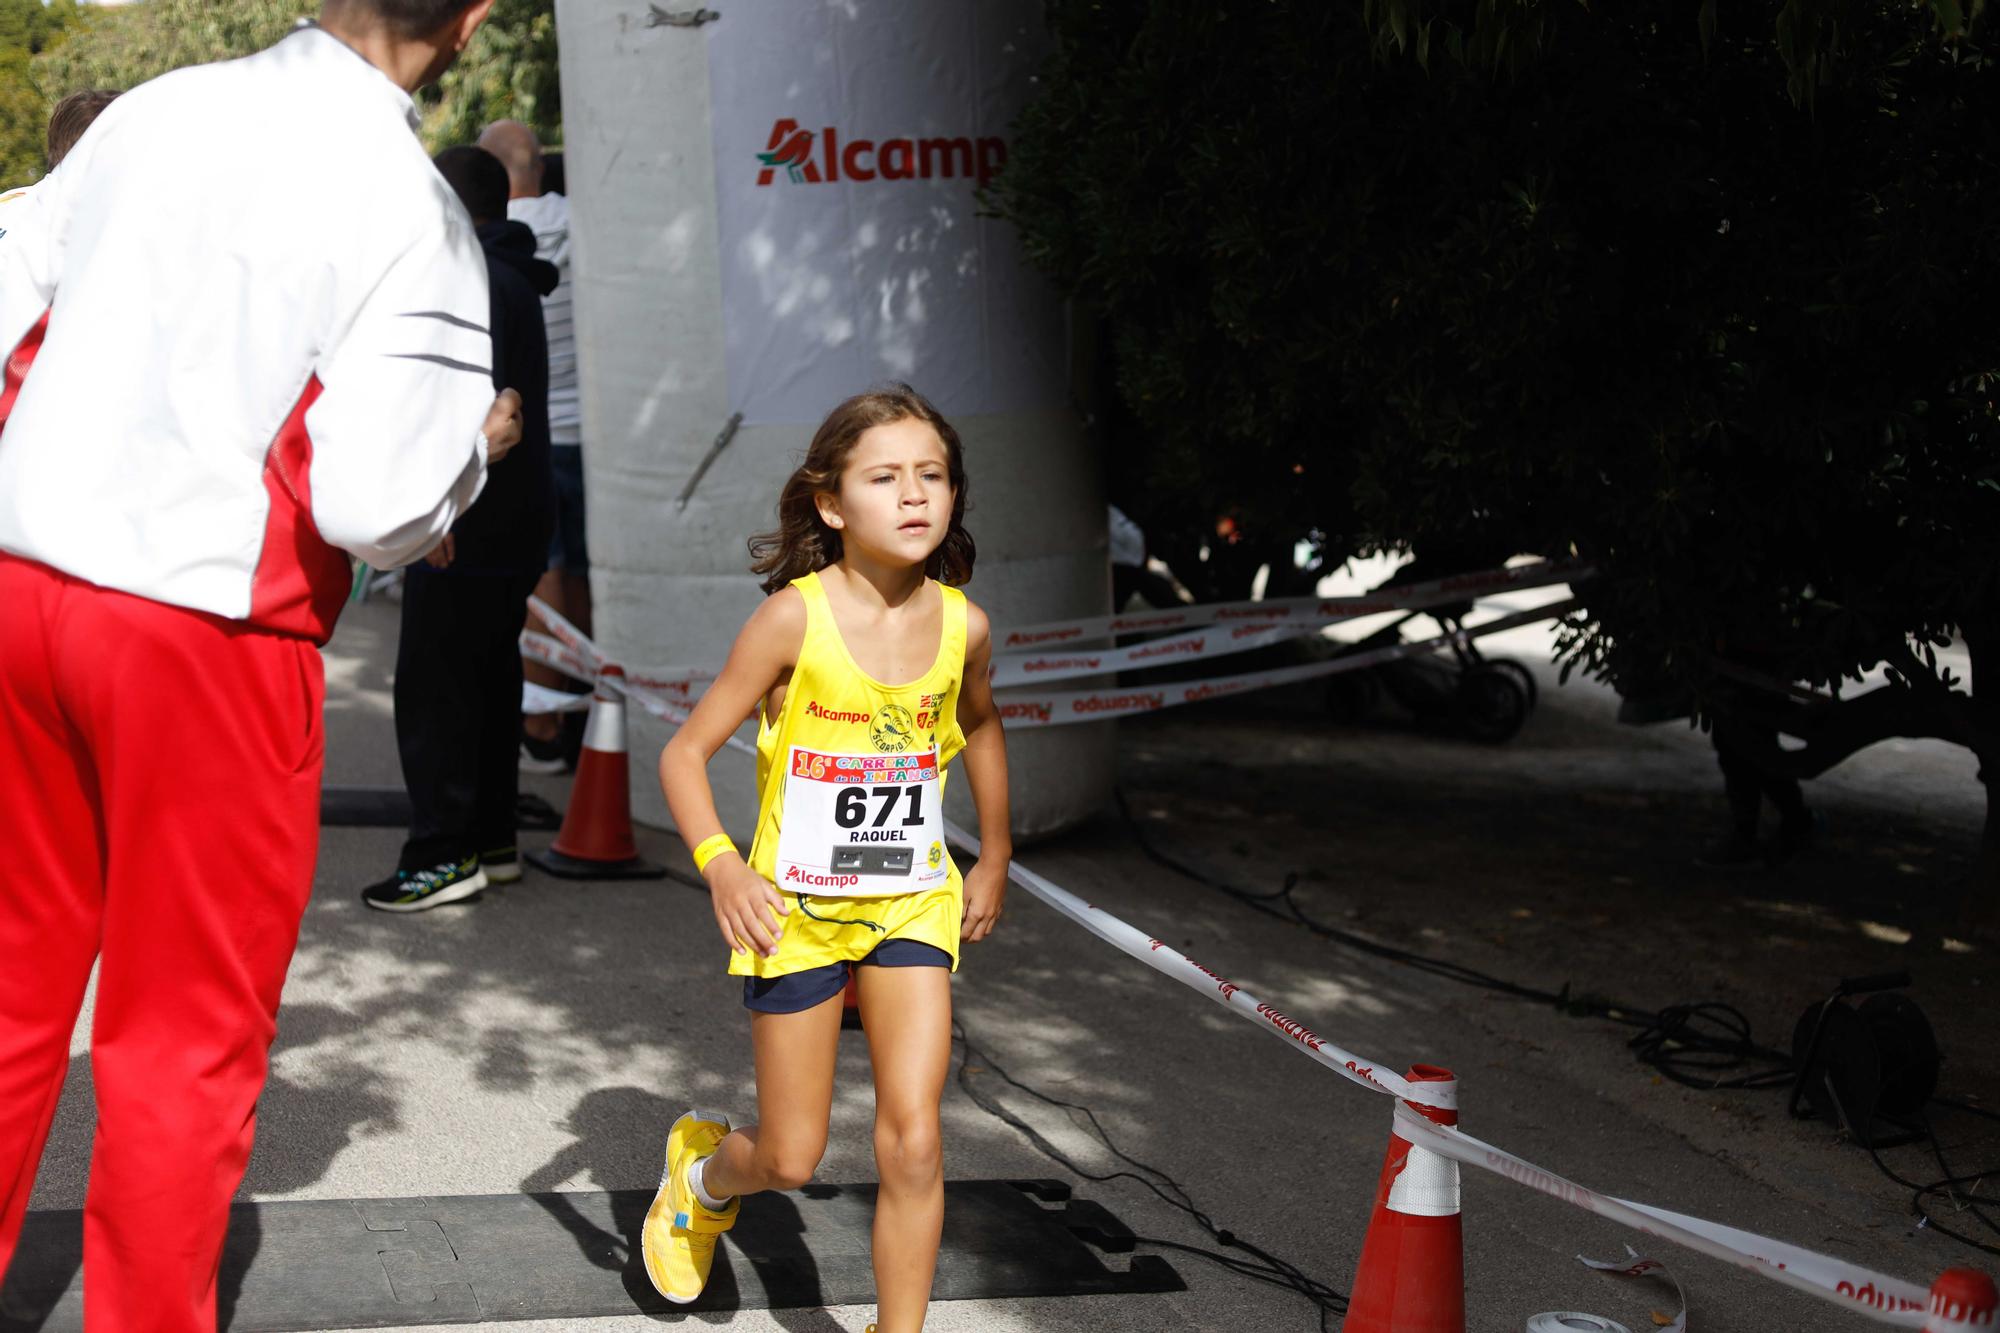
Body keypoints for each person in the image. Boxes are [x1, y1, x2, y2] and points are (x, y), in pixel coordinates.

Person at [0, 2, 518, 1327]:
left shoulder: (161, 110)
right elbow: (377, 499)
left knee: (10, 983)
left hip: (26, 580)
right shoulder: (415, 212)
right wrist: (476, 452)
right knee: (182, 1041)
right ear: (469, 23)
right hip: (207, 634)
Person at [650, 385, 1013, 1331]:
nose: (914, 496)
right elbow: (683, 753)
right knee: (791, 1157)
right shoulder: (790, 621)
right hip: (794, 910)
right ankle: (699, 1177)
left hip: (909, 902)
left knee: (916, 1141)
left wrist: (996, 851)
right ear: (829, 502)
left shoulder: (964, 626)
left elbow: (981, 724)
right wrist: (724, 865)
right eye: (884, 477)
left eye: (931, 475)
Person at [361, 144, 558, 911]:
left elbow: (457, 408)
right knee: (486, 676)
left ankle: (441, 854)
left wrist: (435, 506)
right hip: (514, 516)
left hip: (467, 518)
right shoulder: (513, 278)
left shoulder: (469, 282)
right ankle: (489, 838)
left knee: (438, 687)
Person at [478, 117, 591, 772]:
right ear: (540, 168)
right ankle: (591, 706)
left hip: (531, 431)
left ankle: (544, 721)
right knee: (580, 571)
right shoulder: (580, 223)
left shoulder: (487, 252)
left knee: (541, 575)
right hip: (591, 431)